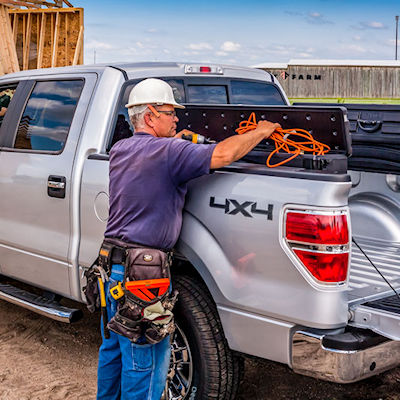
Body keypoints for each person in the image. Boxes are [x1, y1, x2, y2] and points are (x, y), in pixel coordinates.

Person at [96, 78, 280, 400]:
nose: (177, 119)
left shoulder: (121, 149)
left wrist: (177, 143)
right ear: (151, 114)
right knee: (147, 364)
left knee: (113, 353)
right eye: (170, 112)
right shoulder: (170, 152)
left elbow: (154, 155)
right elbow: (222, 155)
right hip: (144, 280)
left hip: (110, 271)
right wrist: (261, 131)